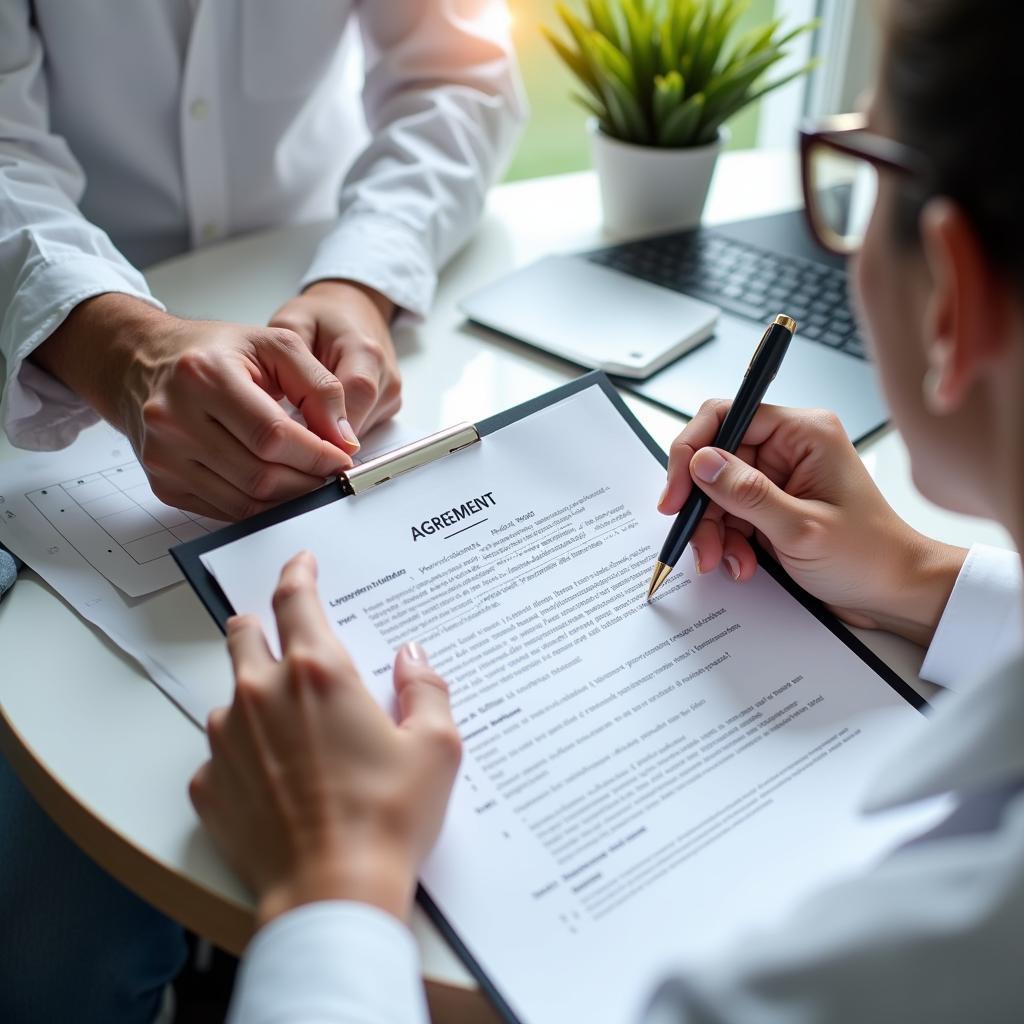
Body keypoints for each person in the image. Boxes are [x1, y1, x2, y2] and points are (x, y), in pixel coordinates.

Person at [189, 0, 1024, 1020]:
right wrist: (919, 577)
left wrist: (335, 883)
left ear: (950, 295)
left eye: (856, 167)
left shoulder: (863, 972)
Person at [0, 2, 522, 1021]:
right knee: (55, 938)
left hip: (317, 282)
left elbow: (459, 71)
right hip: (44, 363)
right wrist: (118, 344)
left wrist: (364, 273)